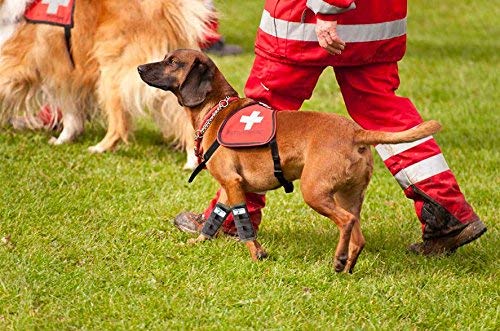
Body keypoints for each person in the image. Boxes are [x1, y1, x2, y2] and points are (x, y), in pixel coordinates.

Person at [173, 0, 487, 256]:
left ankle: (231, 217)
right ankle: (447, 212)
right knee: (387, 117)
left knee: (258, 115)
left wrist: (327, 8)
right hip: (377, 18)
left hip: (309, 21)